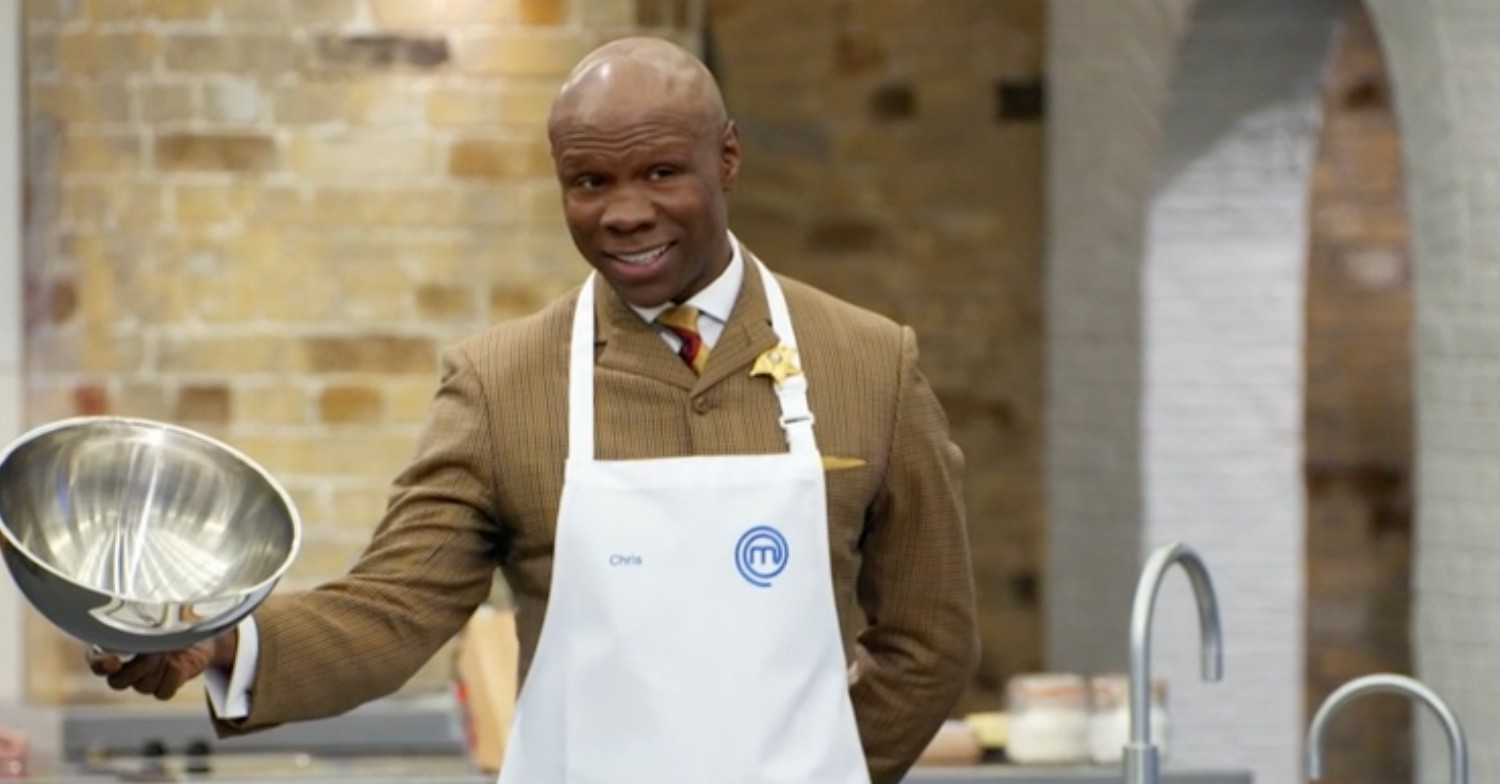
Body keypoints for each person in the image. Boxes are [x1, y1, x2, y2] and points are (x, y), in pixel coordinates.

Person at [89, 36, 979, 784]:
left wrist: (819, 768)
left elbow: (929, 642)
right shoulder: (501, 382)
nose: (624, 214)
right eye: (588, 183)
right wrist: (222, 643)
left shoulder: (868, 363)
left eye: (662, 172)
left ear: (729, 157)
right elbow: (393, 610)